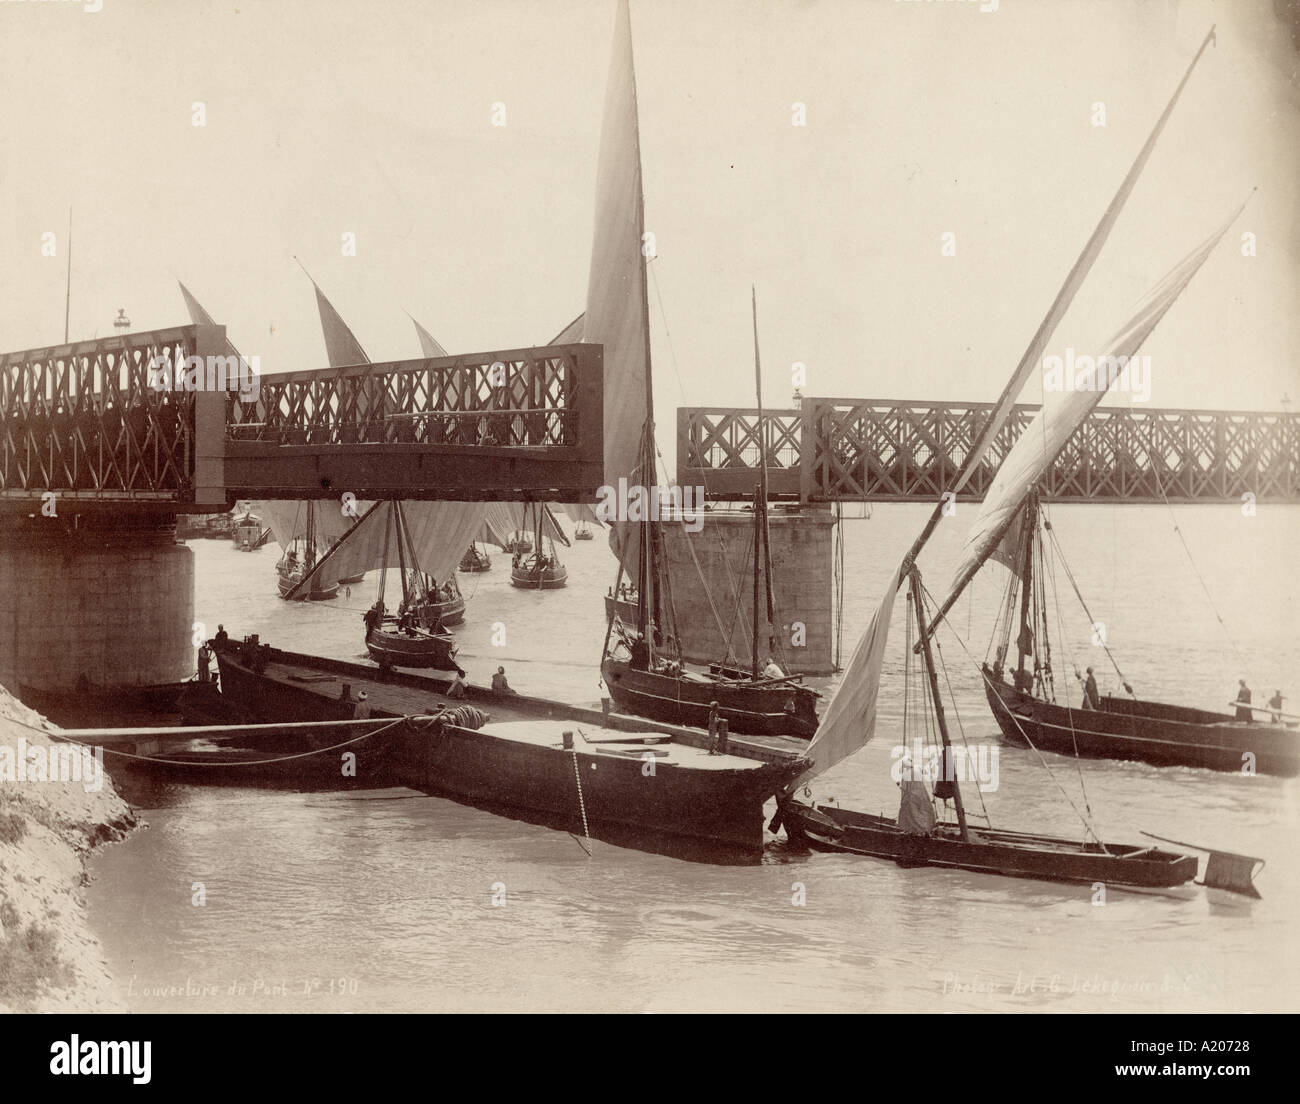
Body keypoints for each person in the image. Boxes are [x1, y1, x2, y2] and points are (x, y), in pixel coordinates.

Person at [897, 755, 936, 836]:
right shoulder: (917, 771)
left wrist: (899, 785)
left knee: (910, 813)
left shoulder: (906, 774)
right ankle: (926, 829)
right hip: (922, 795)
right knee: (922, 812)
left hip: (911, 797)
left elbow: (905, 788)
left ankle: (913, 830)